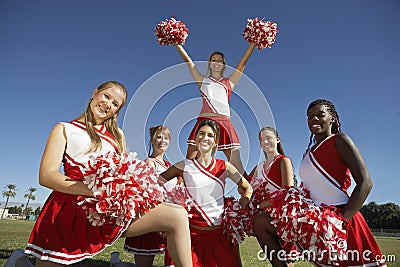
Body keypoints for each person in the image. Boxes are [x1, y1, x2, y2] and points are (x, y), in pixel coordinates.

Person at [5, 81, 192, 267]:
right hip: (70, 209)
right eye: (106, 96)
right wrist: (96, 191)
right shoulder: (64, 129)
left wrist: (132, 190)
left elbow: (123, 172)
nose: (108, 104)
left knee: (177, 215)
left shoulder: (117, 136)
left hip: (108, 211)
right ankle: (19, 261)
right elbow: (46, 176)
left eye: (115, 104)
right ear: (95, 93)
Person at [254, 99, 387, 267]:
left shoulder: (340, 141)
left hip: (341, 219)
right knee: (261, 222)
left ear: (332, 118)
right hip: (315, 220)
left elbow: (365, 182)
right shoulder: (307, 153)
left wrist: (341, 221)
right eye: (310, 116)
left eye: (320, 115)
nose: (314, 119)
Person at [161, 119, 253, 267]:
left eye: (210, 135)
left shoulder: (225, 167)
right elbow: (156, 183)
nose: (205, 138)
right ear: (195, 138)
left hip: (219, 236)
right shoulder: (183, 165)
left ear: (215, 142)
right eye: (201, 134)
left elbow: (248, 188)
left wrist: (241, 205)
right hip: (189, 236)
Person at [174, 42, 257, 177]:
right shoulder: (203, 80)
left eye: (220, 60)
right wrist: (177, 43)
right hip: (204, 121)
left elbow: (243, 62)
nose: (217, 62)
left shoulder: (229, 82)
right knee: (190, 160)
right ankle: (184, 189)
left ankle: (249, 192)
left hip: (224, 122)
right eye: (214, 60)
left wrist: (253, 43)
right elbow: (188, 61)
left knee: (236, 163)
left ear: (223, 65)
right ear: (209, 63)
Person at [122, 125, 176, 267]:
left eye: (165, 137)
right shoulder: (149, 163)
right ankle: (116, 263)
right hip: (153, 214)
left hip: (168, 216)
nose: (162, 140)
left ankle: (116, 262)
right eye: (158, 137)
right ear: (151, 140)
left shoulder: (170, 166)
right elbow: (147, 190)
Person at [249, 127, 298, 267]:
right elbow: (245, 185)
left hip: (282, 219)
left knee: (286, 262)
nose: (265, 141)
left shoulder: (284, 161)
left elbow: (287, 194)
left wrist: (260, 205)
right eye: (262, 139)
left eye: (269, 137)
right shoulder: (259, 167)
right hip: (264, 220)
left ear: (277, 140)